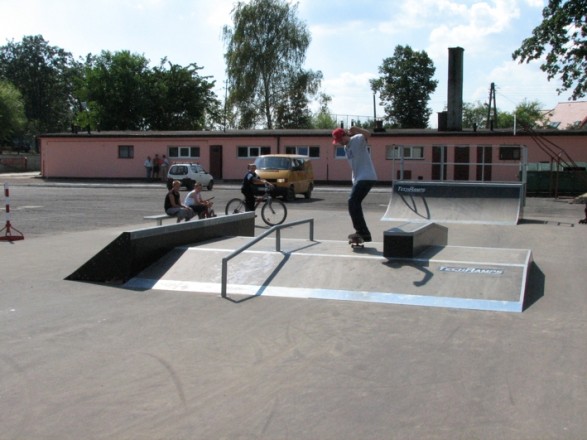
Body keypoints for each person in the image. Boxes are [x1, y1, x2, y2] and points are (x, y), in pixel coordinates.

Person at [332, 126, 377, 242]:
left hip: (367, 176)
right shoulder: (346, 147)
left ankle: (362, 232)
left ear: (344, 135)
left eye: (340, 140)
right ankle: (363, 233)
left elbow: (368, 134)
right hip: (359, 179)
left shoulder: (357, 139)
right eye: (338, 142)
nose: (340, 143)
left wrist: (357, 129)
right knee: (354, 203)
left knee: (352, 201)